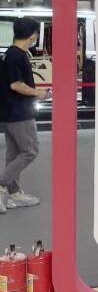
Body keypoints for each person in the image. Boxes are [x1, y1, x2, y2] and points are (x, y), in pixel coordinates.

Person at [0, 17, 45, 213]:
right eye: (36, 33)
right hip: (20, 113)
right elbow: (16, 85)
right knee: (30, 151)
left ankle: (14, 192)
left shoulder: (10, 54)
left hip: (9, 113)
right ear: (32, 34)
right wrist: (38, 93)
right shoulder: (17, 56)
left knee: (14, 154)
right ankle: (2, 184)